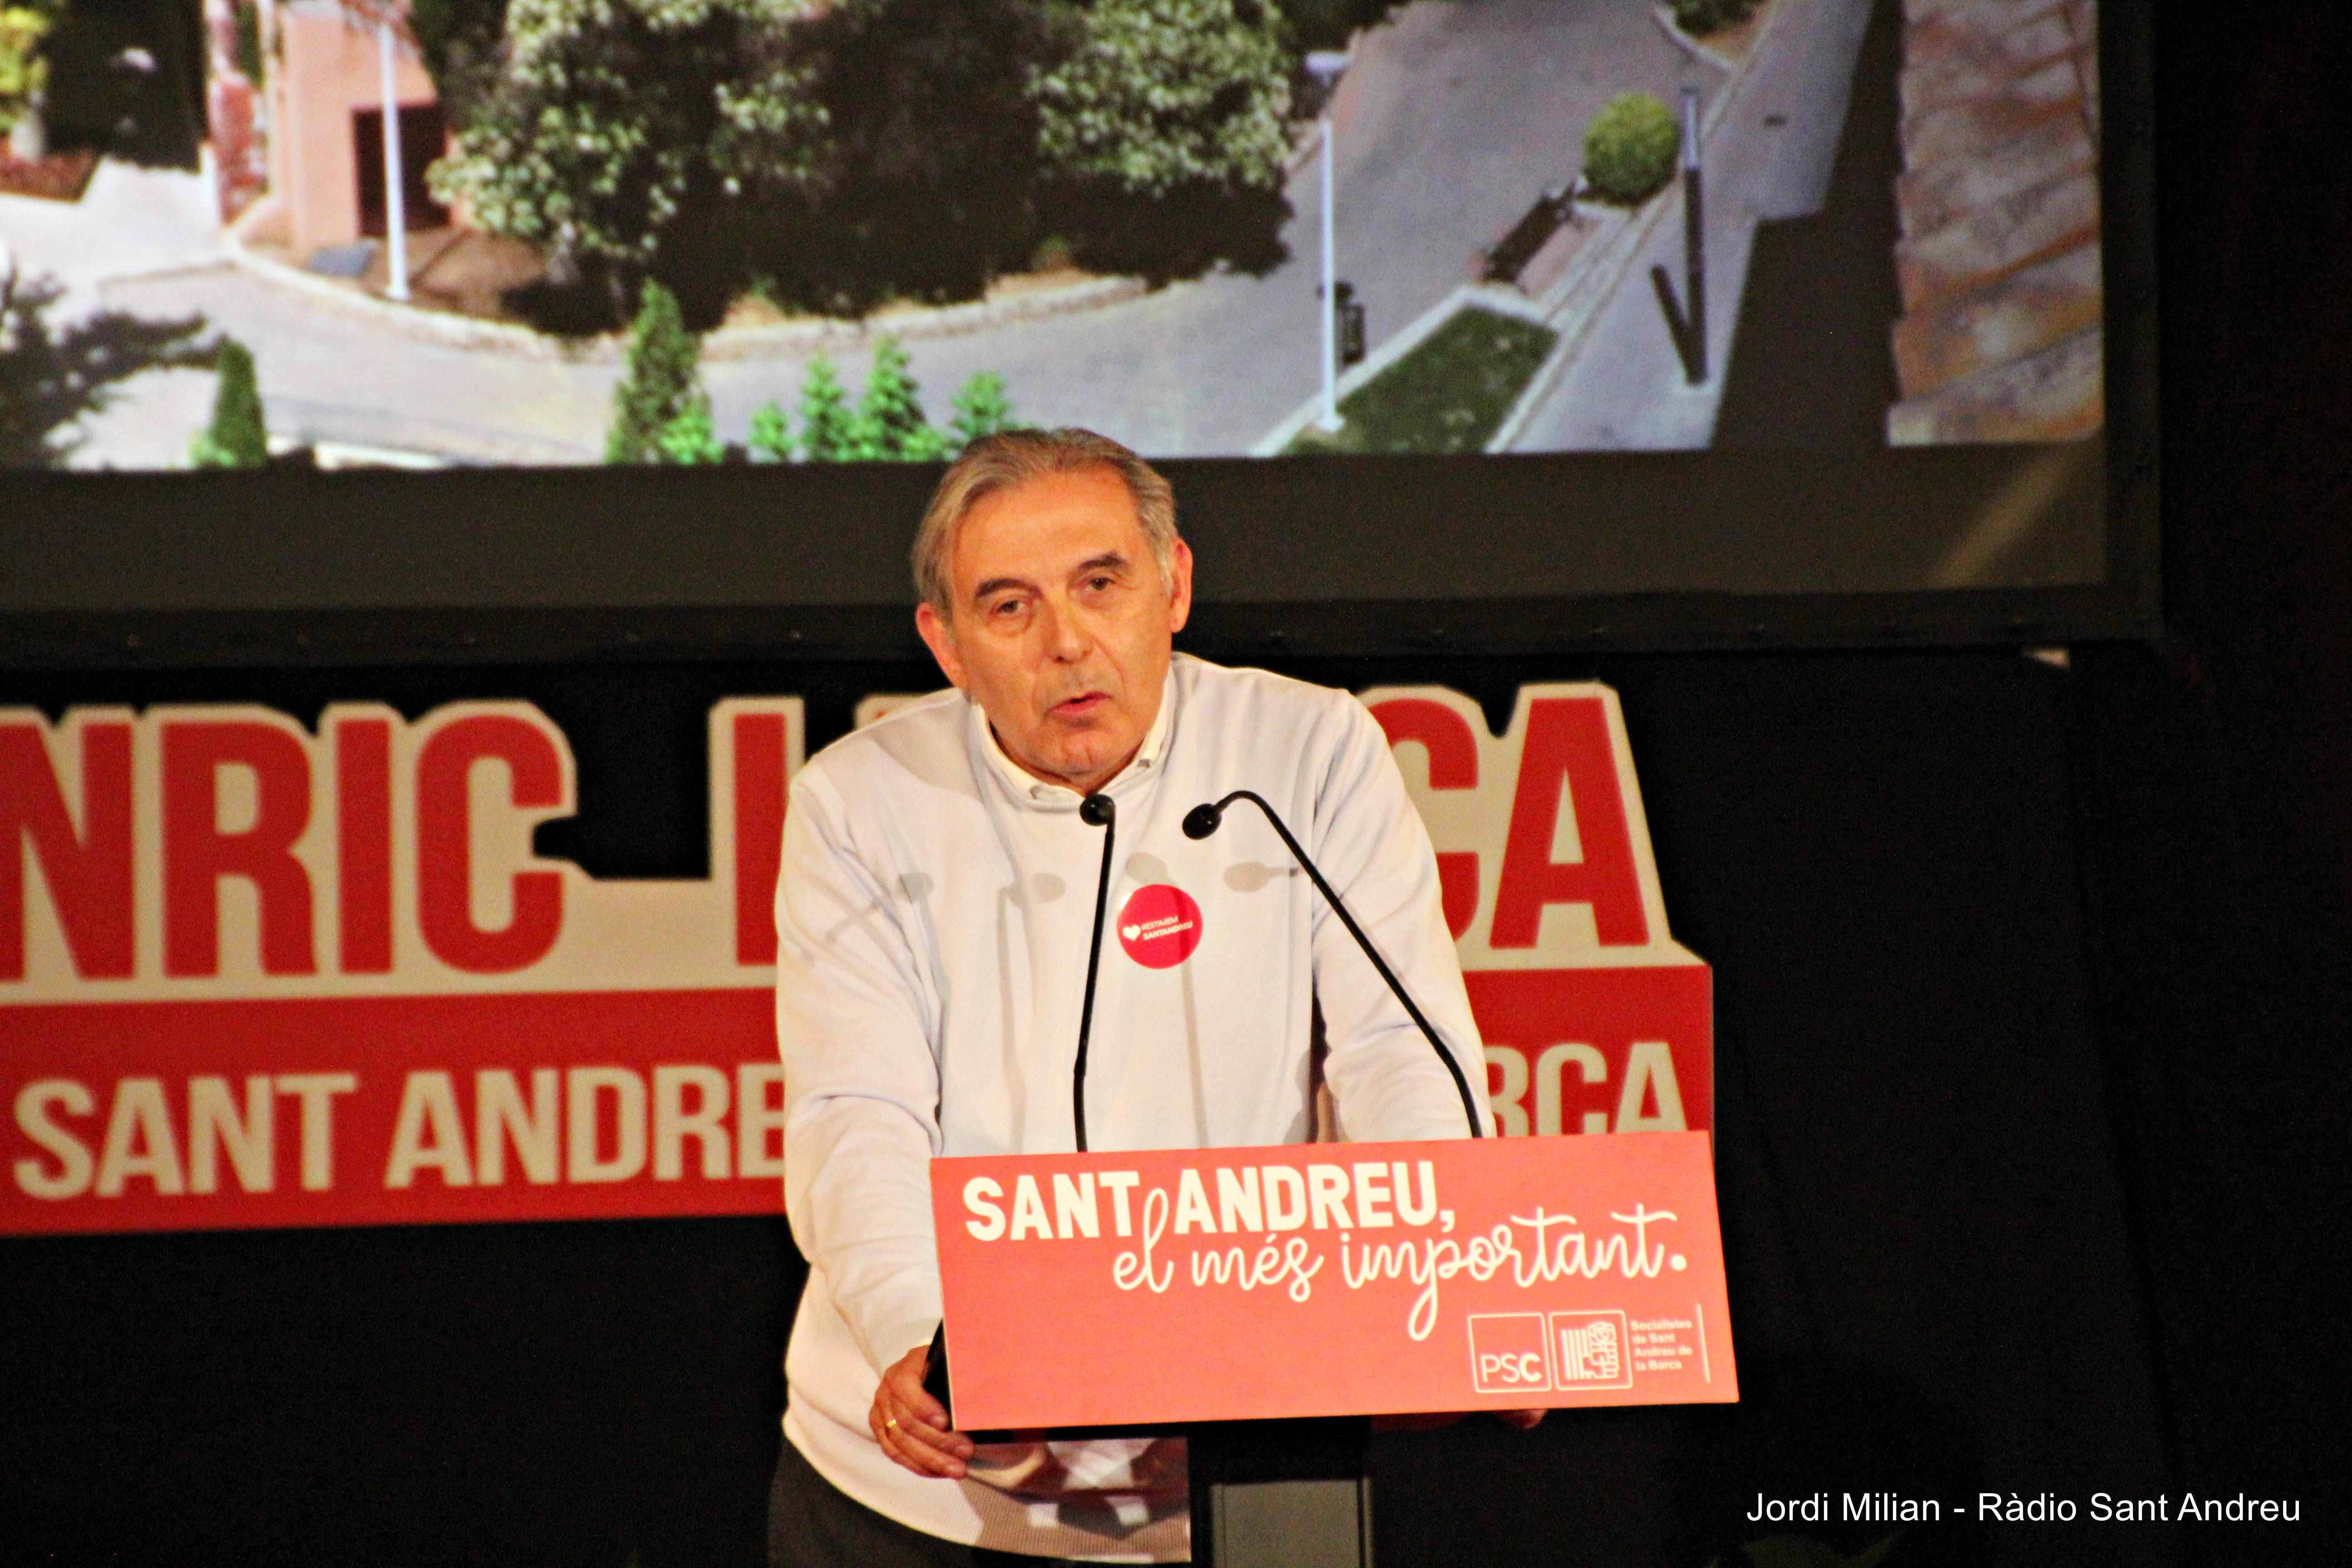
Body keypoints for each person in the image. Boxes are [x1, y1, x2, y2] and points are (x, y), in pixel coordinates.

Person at [769, 428, 1527, 1568]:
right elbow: (857, 1109)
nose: (1069, 645)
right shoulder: (860, 801)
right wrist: (924, 1336)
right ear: (948, 645)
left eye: (1101, 585)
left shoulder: (1309, 750)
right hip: (921, 1493)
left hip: (1240, 1465)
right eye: (1009, 608)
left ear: (1173, 584)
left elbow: (1397, 1048)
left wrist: (1460, 1279)